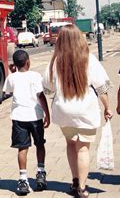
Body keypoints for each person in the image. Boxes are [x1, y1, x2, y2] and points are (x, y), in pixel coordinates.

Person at [42, 24, 112, 198]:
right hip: (85, 110)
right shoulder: (89, 59)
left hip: (64, 111)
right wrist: (107, 108)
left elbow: (47, 89)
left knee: (71, 144)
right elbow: (102, 88)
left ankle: (74, 180)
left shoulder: (55, 61)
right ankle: (81, 187)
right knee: (83, 149)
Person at [3, 49, 50, 196]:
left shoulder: (12, 78)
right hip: (35, 116)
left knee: (22, 148)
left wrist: (13, 72)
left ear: (15, 64)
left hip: (19, 117)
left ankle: (23, 179)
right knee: (40, 144)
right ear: (28, 62)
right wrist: (47, 114)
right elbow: (41, 96)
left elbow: (8, 90)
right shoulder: (35, 76)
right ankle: (41, 172)